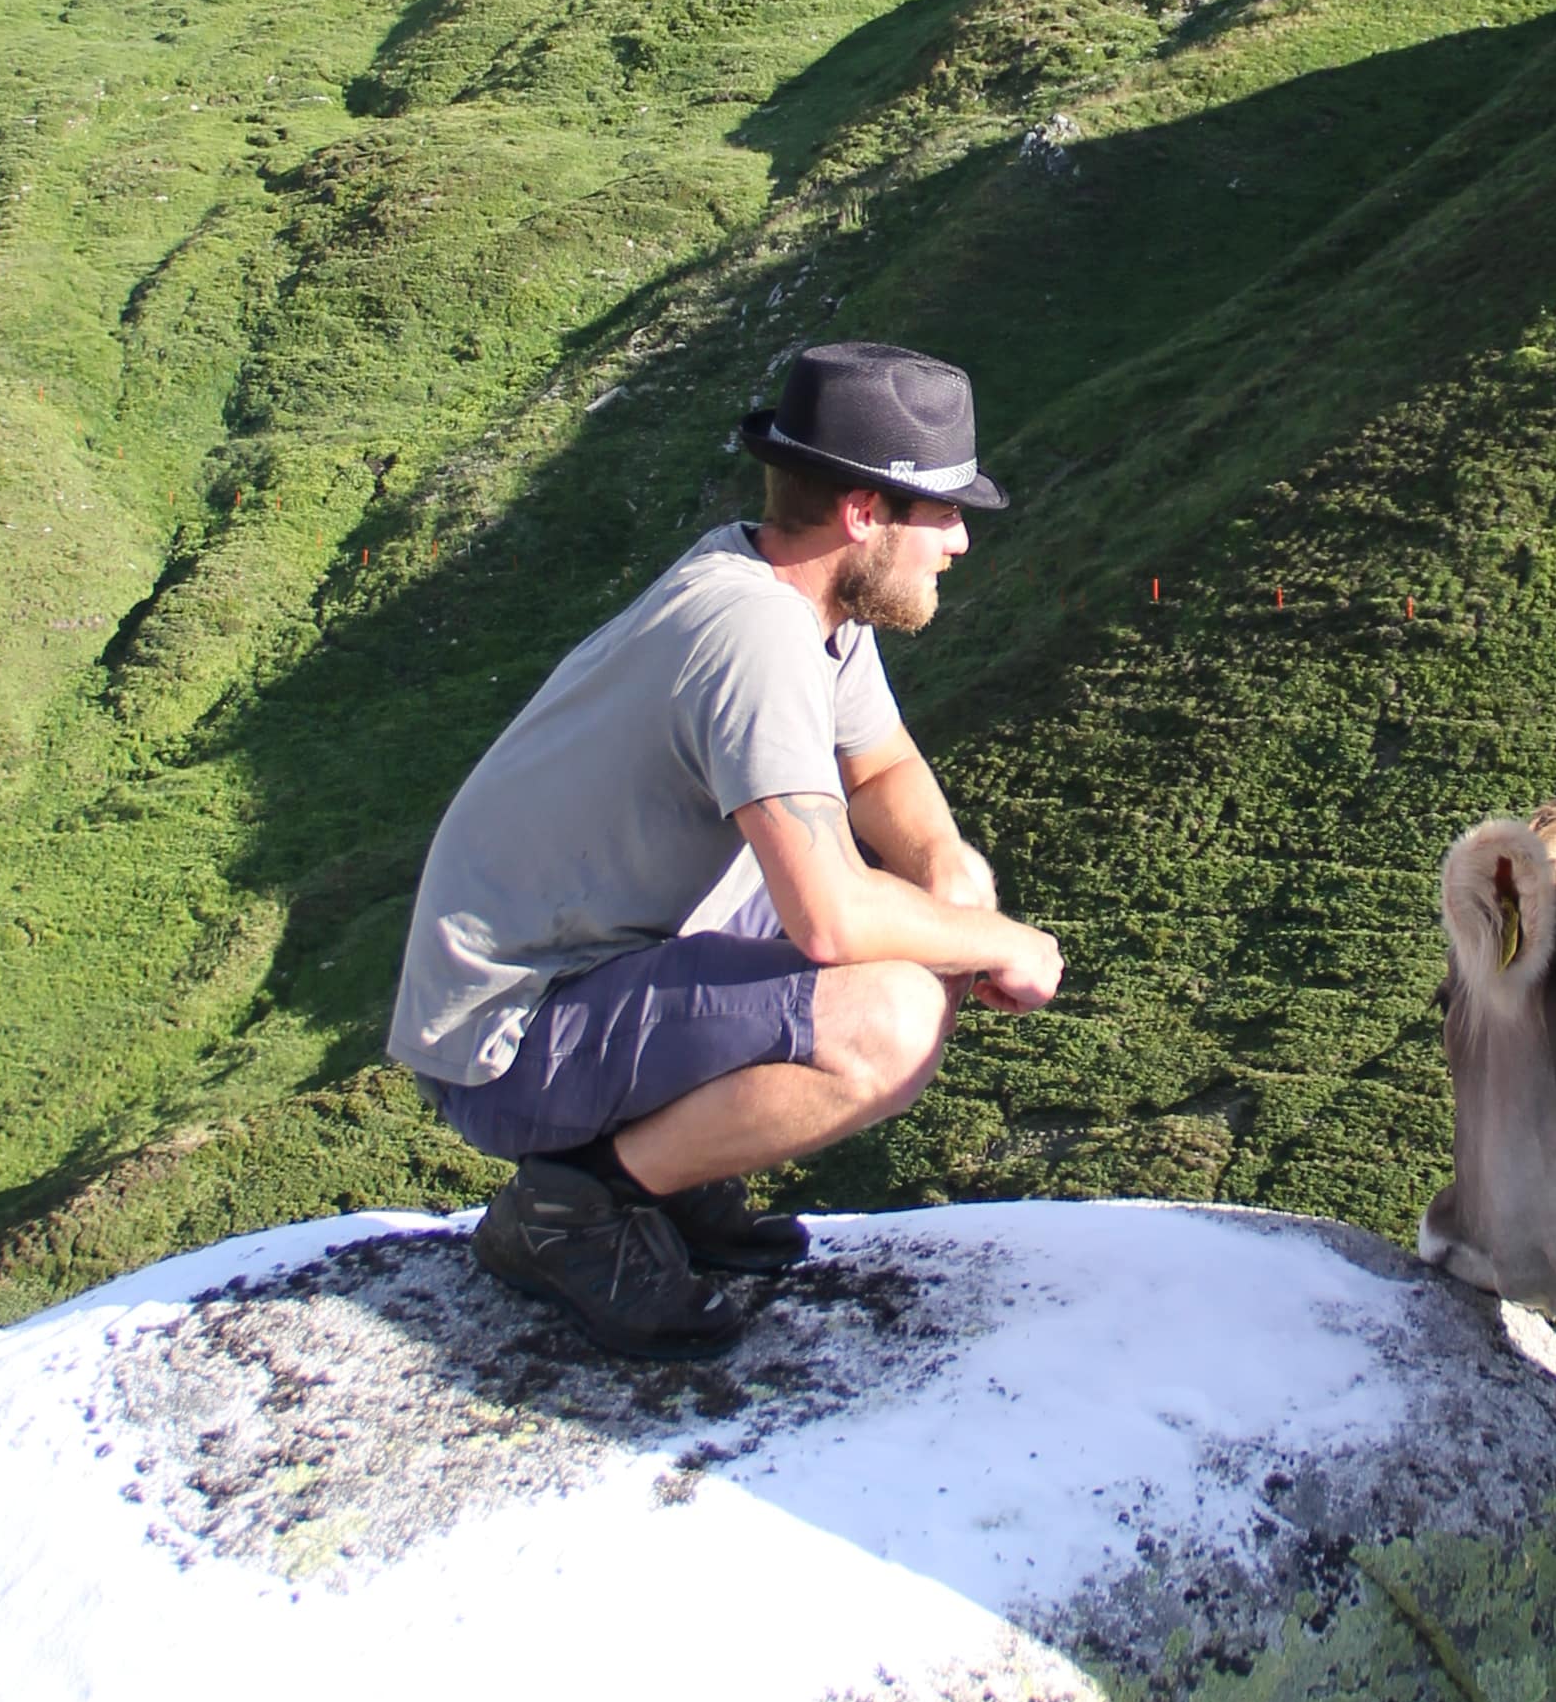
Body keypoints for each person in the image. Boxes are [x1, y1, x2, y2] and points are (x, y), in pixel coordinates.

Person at [387, 337, 1062, 1352]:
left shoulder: (804, 592)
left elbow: (878, 770)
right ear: (865, 512)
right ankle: (578, 1210)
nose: (960, 541)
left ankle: (672, 1176)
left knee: (921, 916)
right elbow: (830, 922)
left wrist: (951, 877)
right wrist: (1000, 943)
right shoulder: (754, 636)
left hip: (593, 959)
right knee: (894, 1016)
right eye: (946, 513)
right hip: (510, 1033)